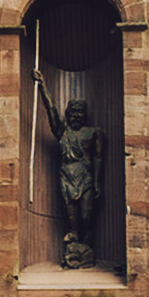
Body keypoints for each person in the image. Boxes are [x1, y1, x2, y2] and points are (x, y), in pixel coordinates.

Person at [52, 97, 107, 268]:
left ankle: (86, 252)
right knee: (72, 221)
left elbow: (98, 157)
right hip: (67, 176)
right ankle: (74, 253)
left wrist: (97, 182)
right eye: (73, 112)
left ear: (85, 115)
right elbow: (51, 111)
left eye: (80, 112)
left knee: (86, 217)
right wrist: (42, 86)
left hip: (85, 177)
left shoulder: (93, 133)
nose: (76, 116)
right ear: (68, 114)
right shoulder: (63, 132)